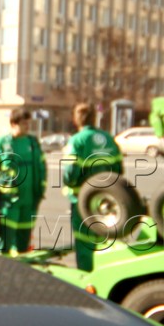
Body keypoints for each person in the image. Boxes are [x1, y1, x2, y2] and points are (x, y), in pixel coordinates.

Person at [61, 103, 123, 272]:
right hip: (107, 199)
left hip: (83, 201)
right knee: (103, 240)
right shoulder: (109, 138)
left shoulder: (77, 140)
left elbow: (70, 172)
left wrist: (69, 184)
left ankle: (87, 279)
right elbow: (119, 169)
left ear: (76, 119)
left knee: (85, 241)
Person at [0, 109, 46, 255]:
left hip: (30, 199)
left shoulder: (33, 143)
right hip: (10, 201)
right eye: (23, 123)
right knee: (5, 240)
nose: (28, 126)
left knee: (24, 238)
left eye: (29, 123)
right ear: (13, 124)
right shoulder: (1, 144)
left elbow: (42, 168)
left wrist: (40, 191)